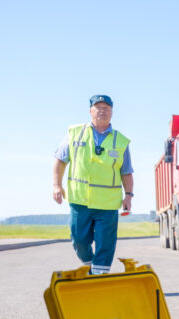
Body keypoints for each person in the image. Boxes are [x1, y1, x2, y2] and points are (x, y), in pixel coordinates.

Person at [52, 95, 133, 274]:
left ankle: (99, 276)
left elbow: (126, 172)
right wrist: (57, 185)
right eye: (98, 107)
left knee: (105, 244)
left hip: (107, 204)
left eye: (106, 108)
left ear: (112, 112)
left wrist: (128, 195)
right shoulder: (74, 133)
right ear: (90, 111)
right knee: (79, 240)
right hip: (80, 200)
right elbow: (60, 160)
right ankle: (89, 263)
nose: (102, 110)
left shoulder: (121, 141)